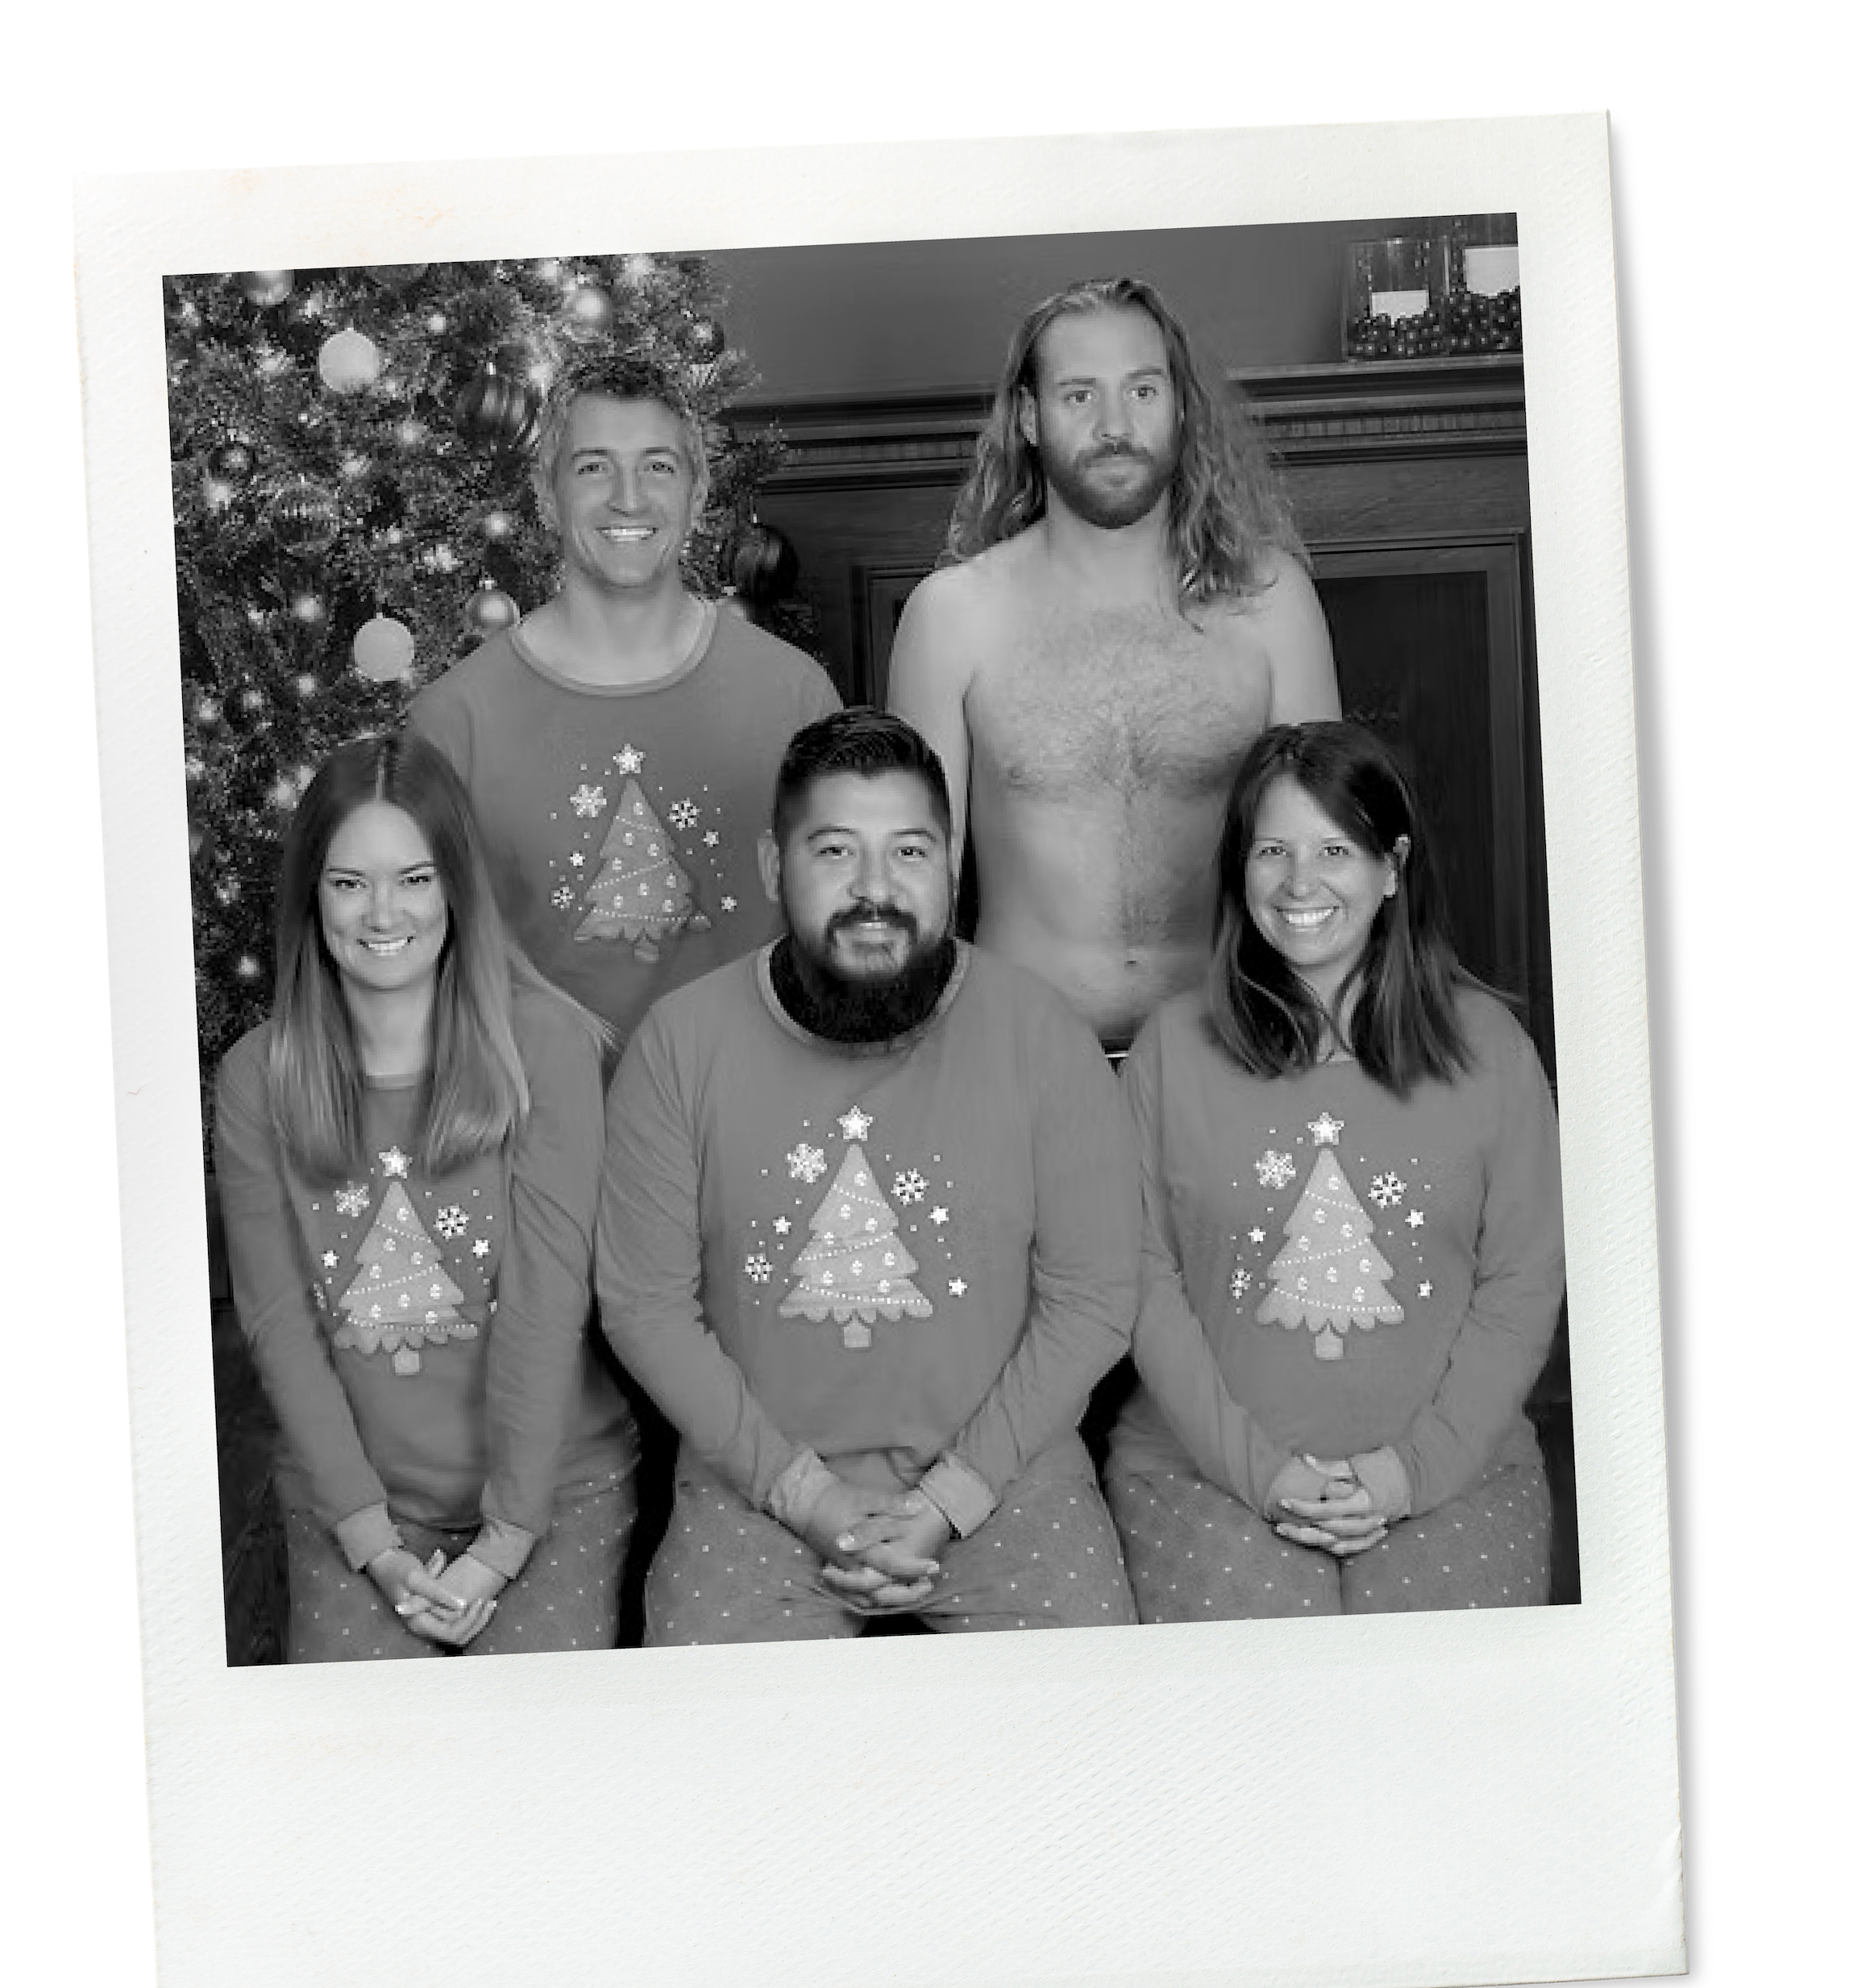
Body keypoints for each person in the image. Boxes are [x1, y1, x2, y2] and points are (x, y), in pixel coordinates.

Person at [596, 707, 1141, 1645]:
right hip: (754, 1491)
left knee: (1089, 1755)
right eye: (836, 853)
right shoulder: (681, 1045)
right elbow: (646, 1306)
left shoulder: (1042, 1034)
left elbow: (1092, 1297)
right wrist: (803, 1495)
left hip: (1009, 1481)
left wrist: (953, 1495)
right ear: (776, 867)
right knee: (708, 1763)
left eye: (910, 854)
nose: (875, 891)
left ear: (952, 864)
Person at [1103, 720, 1565, 1620]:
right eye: (1272, 849)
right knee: (1260, 1728)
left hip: (1457, 1470)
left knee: (1428, 1725)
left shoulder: (1491, 1052)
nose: (1300, 882)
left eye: (1334, 849)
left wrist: (1411, 1472)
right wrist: (1260, 1472)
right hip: (1202, 1476)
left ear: (1391, 868)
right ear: (1240, 867)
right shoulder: (1170, 1050)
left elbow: (1522, 1283)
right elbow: (1140, 1279)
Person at [214, 733, 638, 1660]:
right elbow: (280, 1325)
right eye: (347, 882)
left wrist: (505, 1540)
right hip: (356, 1503)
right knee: (361, 1780)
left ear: (455, 886)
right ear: (309, 897)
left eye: (412, 878)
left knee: (539, 1766)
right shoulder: (260, 1076)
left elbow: (543, 1305)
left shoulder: (544, 1050)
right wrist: (370, 1542)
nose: (381, 914)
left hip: (552, 1492)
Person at [888, 275, 1341, 1054]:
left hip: (1235, 1053)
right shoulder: (952, 616)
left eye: (1141, 389)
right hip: (1023, 1059)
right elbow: (918, 876)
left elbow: (1331, 861)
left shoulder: (1273, 604)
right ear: (1029, 418)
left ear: (1180, 407)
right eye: (1079, 396)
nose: (1114, 426)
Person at [407, 350, 843, 1051]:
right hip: (545, 1135)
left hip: (744, 1127)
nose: (629, 498)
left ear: (698, 495)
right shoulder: (455, 719)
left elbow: (832, 931)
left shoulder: (796, 694)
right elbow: (442, 958)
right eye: (593, 466)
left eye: (658, 467)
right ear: (546, 495)